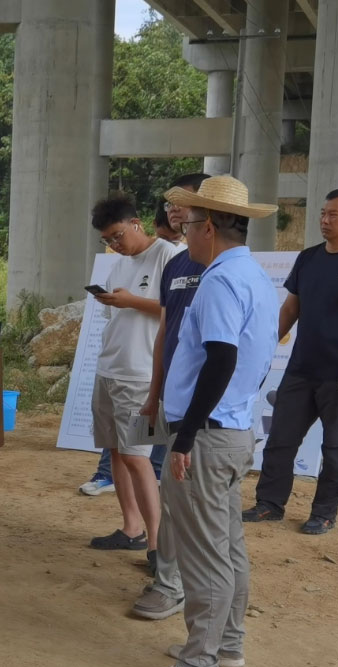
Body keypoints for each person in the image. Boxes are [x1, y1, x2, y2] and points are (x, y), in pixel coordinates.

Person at [137, 175, 277, 667]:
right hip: (233, 429)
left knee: (204, 554)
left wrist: (186, 436)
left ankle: (200, 666)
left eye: (191, 224)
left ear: (210, 227)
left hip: (208, 434)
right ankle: (226, 644)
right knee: (227, 544)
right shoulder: (253, 276)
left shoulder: (219, 281)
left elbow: (221, 359)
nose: (185, 234)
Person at [243, 188, 338, 535]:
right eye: (323, 213)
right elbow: (290, 309)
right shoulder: (308, 258)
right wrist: (264, 348)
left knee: (337, 449)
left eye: (333, 214)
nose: (324, 220)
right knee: (280, 440)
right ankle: (269, 504)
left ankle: (324, 513)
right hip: (300, 370)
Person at [131, 172, 210, 622]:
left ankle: (181, 586)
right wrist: (154, 394)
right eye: (171, 202)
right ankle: (169, 578)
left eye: (184, 202)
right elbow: (165, 331)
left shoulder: (228, 269)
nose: (175, 209)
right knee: (171, 491)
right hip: (171, 398)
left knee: (195, 503)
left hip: (209, 410)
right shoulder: (177, 266)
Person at [86, 196, 181, 566]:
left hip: (143, 376)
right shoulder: (119, 264)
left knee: (138, 457)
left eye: (117, 235)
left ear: (136, 223)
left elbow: (176, 309)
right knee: (115, 450)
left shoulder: (168, 255)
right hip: (110, 370)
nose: (114, 244)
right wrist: (115, 302)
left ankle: (157, 544)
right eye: (107, 240)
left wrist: (130, 302)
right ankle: (131, 528)